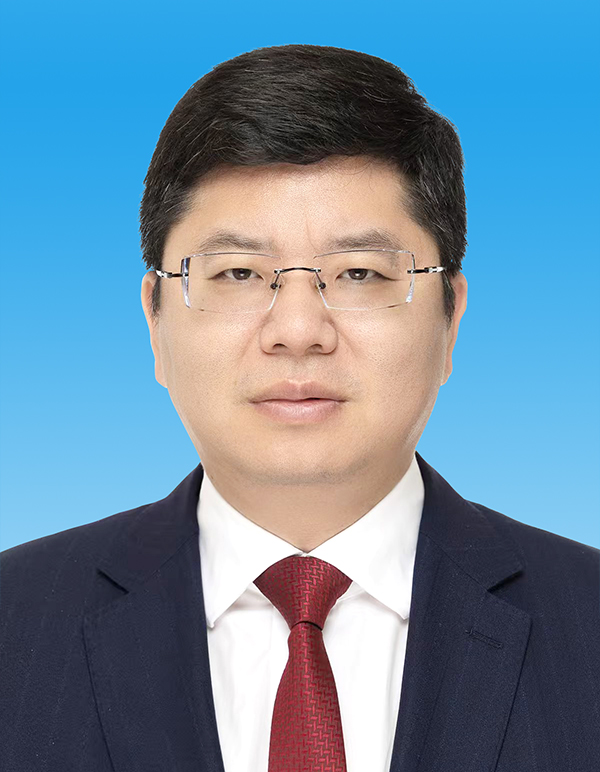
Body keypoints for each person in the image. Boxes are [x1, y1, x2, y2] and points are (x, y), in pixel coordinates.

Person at [1, 43, 598, 772]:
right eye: (238, 273)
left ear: (451, 319)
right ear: (155, 320)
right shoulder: (16, 622)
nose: (297, 331)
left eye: (359, 273)